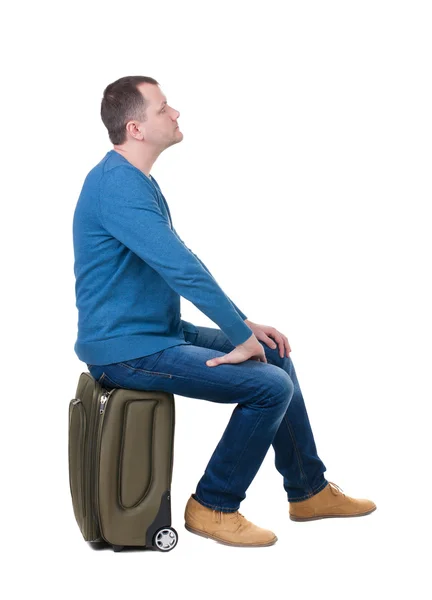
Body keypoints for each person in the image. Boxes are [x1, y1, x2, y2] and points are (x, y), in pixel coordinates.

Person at [72, 75, 376, 548]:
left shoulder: (135, 180)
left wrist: (246, 326)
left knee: (273, 353)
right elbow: (182, 272)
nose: (175, 113)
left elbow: (184, 261)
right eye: (163, 108)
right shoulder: (117, 187)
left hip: (156, 332)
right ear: (135, 128)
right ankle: (214, 504)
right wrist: (237, 335)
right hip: (124, 350)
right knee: (268, 386)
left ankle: (308, 491)